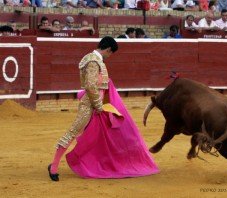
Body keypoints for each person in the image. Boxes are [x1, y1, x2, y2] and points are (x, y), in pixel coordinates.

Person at [48, 36, 159, 181]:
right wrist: (99, 105)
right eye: (110, 53)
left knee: (94, 136)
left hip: (94, 104)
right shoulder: (94, 61)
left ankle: (90, 163)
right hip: (89, 106)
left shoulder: (95, 59)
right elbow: (90, 85)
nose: (109, 56)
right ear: (108, 49)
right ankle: (54, 166)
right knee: (73, 132)